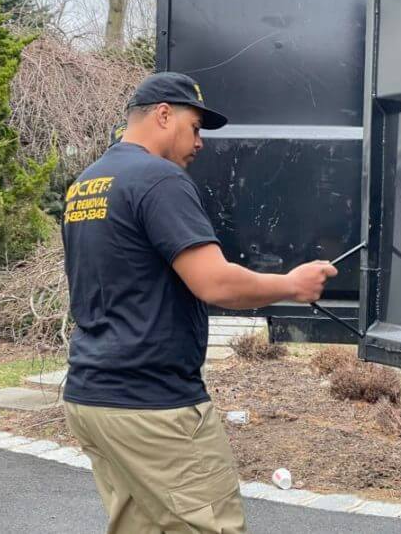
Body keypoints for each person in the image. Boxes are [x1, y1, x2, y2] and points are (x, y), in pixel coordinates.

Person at [61, 71, 338, 534]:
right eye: (195, 127)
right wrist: (291, 284)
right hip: (152, 405)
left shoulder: (87, 183)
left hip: (93, 397)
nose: (201, 142)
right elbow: (215, 283)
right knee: (215, 526)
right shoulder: (158, 179)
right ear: (164, 115)